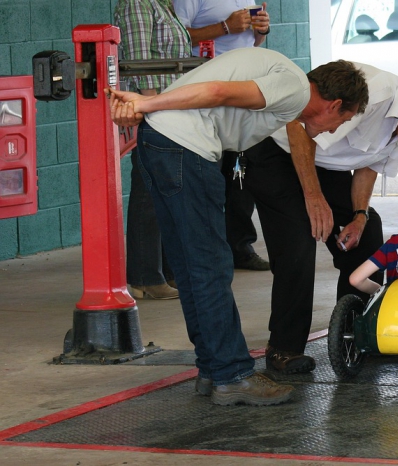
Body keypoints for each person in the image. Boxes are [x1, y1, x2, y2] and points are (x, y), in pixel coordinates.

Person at [107, 48, 368, 406]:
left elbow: (215, 93)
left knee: (189, 265)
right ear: (334, 103)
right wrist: (143, 104)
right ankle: (232, 375)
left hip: (161, 143)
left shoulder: (288, 90)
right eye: (344, 119)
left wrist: (147, 108)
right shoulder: (294, 87)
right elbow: (217, 92)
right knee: (211, 266)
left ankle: (213, 369)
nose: (336, 129)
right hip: (186, 147)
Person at [242, 64, 398, 374]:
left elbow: (369, 164)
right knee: (299, 239)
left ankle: (357, 334)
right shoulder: (372, 97)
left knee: (369, 231)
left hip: (325, 166)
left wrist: (358, 215)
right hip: (279, 154)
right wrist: (314, 198)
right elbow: (299, 127)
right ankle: (284, 349)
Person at [173, 0, 272, 271]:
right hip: (207, 86)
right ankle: (208, 253)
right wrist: (224, 27)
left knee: (241, 170)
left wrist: (261, 30)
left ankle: (240, 246)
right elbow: (177, 37)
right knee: (208, 174)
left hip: (243, 86)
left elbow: (253, 42)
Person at [114, 0, 192, 299]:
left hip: (172, 107)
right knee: (149, 192)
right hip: (157, 110)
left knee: (163, 190)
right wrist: (154, 109)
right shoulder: (137, 3)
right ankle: (145, 276)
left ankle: (164, 271)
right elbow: (139, 62)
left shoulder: (163, 4)